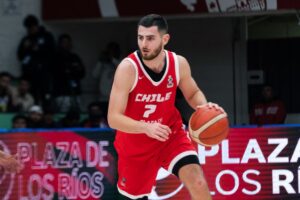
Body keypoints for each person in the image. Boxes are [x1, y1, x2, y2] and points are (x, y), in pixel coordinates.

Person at [108, 14, 224, 200]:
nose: (144, 44)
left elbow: (193, 93)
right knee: (134, 196)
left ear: (165, 39)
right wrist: (146, 127)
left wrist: (204, 107)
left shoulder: (178, 64)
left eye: (150, 38)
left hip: (170, 135)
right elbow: (113, 118)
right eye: (140, 37)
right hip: (135, 145)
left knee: (198, 182)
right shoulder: (128, 69)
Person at [17, 14, 55, 106]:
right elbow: (20, 56)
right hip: (29, 75)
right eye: (28, 28)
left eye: (32, 27)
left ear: (36, 26)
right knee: (31, 98)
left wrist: (38, 49)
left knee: (45, 97)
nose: (30, 30)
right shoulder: (26, 39)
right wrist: (25, 48)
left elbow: (52, 52)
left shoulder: (47, 36)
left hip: (44, 73)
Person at [53, 34, 85, 112]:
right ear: (59, 44)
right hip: (61, 92)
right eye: (64, 42)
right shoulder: (55, 58)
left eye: (68, 42)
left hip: (75, 91)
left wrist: (73, 70)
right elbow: (55, 73)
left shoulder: (74, 57)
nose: (66, 44)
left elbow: (82, 73)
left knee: (78, 111)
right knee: (63, 112)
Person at [93, 42, 121, 114]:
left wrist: (112, 59)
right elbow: (94, 75)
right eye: (109, 51)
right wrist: (100, 61)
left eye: (113, 51)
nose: (111, 53)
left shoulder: (122, 62)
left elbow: (122, 70)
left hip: (116, 100)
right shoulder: (102, 63)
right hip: (102, 98)